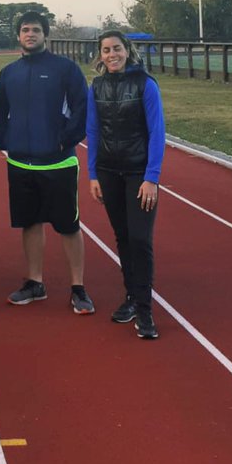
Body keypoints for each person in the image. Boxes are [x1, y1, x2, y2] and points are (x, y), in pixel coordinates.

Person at [0, 10, 94, 313]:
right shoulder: (10, 72)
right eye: (25, 30)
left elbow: (81, 106)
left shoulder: (65, 69)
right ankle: (35, 282)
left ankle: (78, 287)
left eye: (36, 29)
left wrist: (65, 139)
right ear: (19, 35)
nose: (30, 34)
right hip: (22, 164)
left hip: (58, 163)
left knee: (68, 226)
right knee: (30, 223)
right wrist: (6, 141)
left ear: (45, 35)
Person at [87, 29, 165, 339]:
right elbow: (92, 131)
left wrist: (151, 178)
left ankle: (145, 311)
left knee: (140, 239)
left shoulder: (145, 84)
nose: (111, 55)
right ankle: (131, 298)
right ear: (100, 55)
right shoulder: (97, 86)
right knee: (122, 237)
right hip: (108, 171)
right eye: (106, 50)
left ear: (127, 51)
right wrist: (93, 174)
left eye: (116, 49)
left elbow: (157, 133)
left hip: (138, 173)